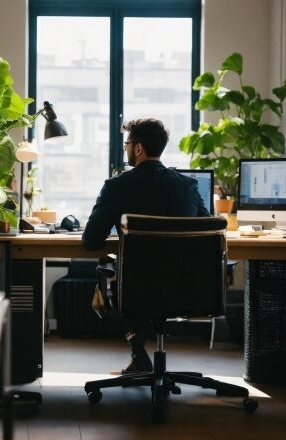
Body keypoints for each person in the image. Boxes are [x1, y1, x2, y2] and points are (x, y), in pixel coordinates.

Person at [82, 118, 210, 374]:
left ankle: (138, 351)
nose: (126, 150)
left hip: (135, 289)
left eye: (126, 144)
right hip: (188, 287)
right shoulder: (187, 186)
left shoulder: (116, 186)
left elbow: (91, 241)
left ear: (138, 148)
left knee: (111, 273)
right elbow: (208, 233)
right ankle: (139, 356)